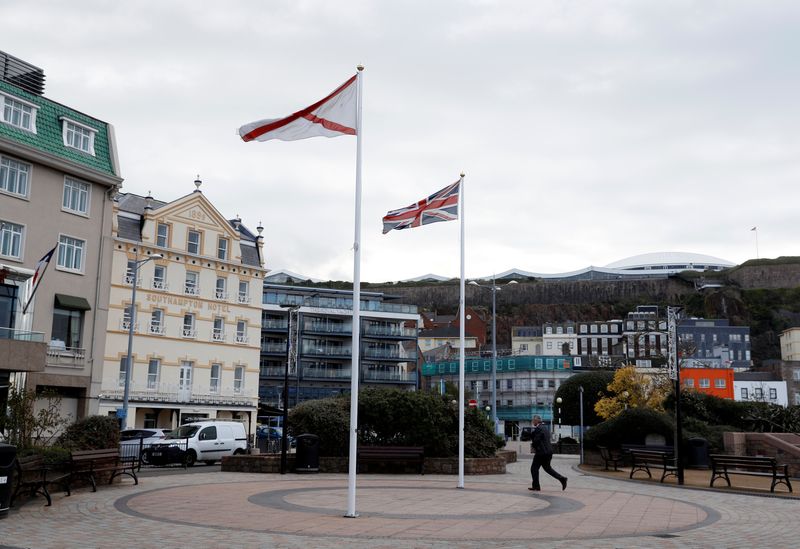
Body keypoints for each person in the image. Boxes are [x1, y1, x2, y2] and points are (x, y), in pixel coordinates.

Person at [529, 414, 567, 491]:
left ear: (537, 421)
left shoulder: (538, 428)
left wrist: (533, 445)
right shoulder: (545, 428)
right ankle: (562, 479)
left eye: (533, 420)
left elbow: (536, 441)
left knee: (534, 468)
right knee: (547, 468)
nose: (532, 422)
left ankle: (536, 486)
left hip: (541, 453)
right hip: (548, 452)